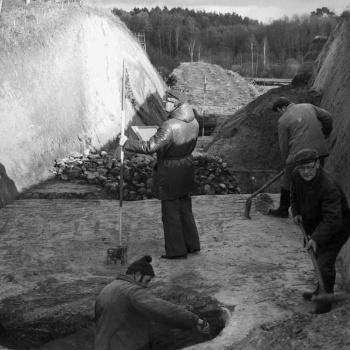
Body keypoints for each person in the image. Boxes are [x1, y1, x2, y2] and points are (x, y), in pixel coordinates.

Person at [119, 89, 200, 259]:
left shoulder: (169, 126)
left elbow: (150, 147)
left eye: (167, 101)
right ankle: (192, 244)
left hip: (170, 173)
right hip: (186, 168)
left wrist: (127, 143)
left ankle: (176, 251)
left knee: (170, 213)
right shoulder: (194, 122)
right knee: (185, 209)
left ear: (176, 103)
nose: (164, 104)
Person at [94, 255, 210, 350]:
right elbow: (163, 310)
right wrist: (194, 321)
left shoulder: (108, 289)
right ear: (137, 275)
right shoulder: (132, 291)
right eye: (147, 281)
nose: (146, 286)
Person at [290, 149, 350, 314]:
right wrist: (296, 213)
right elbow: (294, 195)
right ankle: (319, 291)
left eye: (310, 167)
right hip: (315, 225)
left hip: (336, 229)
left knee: (324, 264)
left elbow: (333, 219)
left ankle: (325, 302)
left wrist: (315, 239)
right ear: (298, 167)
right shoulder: (296, 175)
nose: (306, 171)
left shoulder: (328, 186)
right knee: (317, 258)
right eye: (302, 168)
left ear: (317, 164)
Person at [269, 97, 333, 218]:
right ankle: (320, 211)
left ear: (282, 108)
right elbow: (328, 116)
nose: (280, 114)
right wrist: (326, 132)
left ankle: (283, 210)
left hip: (298, 155)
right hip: (319, 151)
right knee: (318, 179)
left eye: (279, 111)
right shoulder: (309, 106)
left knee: (289, 181)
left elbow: (284, 145)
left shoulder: (283, 120)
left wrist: (288, 161)